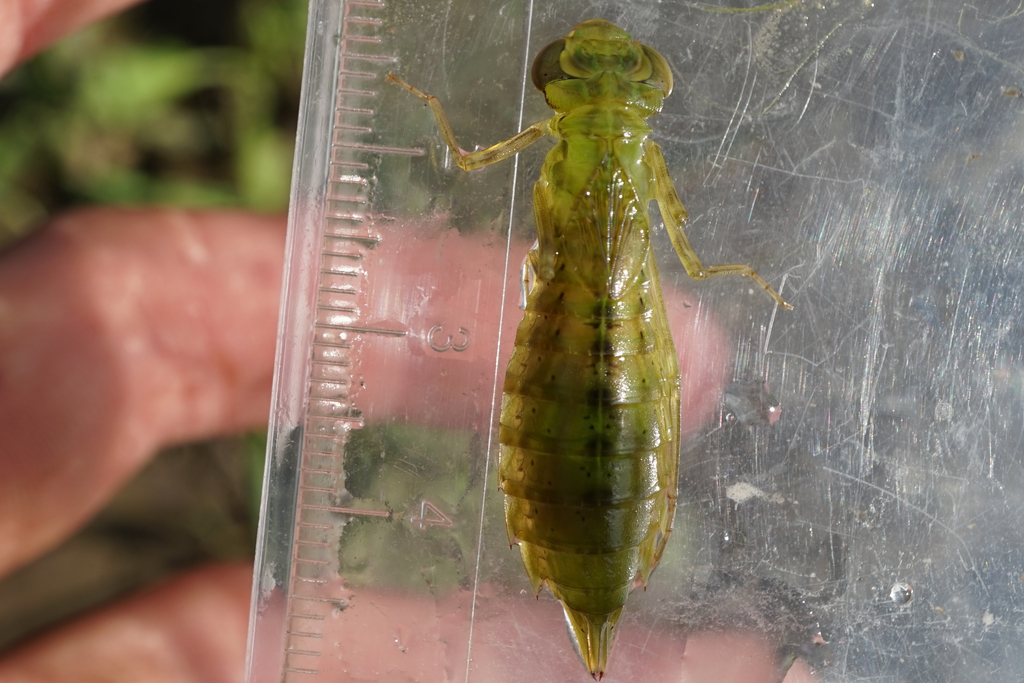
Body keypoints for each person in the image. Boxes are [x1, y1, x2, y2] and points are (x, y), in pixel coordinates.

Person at [0, 2, 815, 680]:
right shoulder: (642, 154)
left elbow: (463, 156)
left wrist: (427, 102)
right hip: (624, 344)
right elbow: (698, 258)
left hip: (583, 340)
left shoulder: (559, 141)